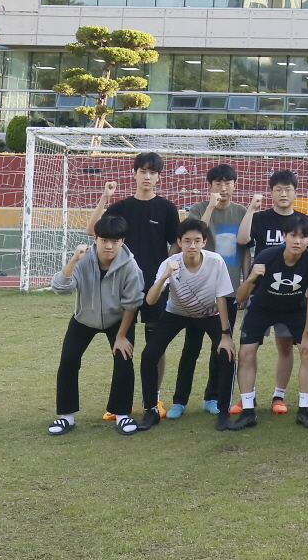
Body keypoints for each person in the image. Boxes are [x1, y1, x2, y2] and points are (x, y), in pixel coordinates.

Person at [86, 152, 180, 415]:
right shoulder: (121, 207)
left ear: (159, 176)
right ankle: (121, 403)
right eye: (142, 171)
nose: (147, 176)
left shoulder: (166, 208)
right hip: (121, 285)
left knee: (155, 345)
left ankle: (155, 398)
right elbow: (92, 230)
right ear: (134, 173)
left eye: (152, 172)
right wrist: (105, 197)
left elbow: (176, 241)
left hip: (154, 285)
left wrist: (164, 267)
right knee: (122, 343)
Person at [134, 218, 236, 431]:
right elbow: (151, 300)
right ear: (179, 242)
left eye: (197, 241)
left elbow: (221, 298)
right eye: (187, 241)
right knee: (149, 354)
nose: (192, 245)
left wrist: (225, 334)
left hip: (210, 314)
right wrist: (164, 277)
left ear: (204, 242)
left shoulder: (216, 262)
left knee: (226, 354)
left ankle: (223, 411)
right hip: (177, 313)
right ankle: (151, 410)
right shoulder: (170, 263)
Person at [48, 215, 144, 435]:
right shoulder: (83, 260)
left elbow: (132, 304)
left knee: (124, 360)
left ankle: (122, 415)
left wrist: (121, 337)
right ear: (96, 239)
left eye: (115, 241)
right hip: (84, 318)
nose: (109, 246)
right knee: (69, 360)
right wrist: (73, 260)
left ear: (122, 241)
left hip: (118, 320)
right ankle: (67, 417)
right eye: (104, 240)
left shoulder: (130, 266)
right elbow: (60, 288)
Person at [228, 214, 308, 430]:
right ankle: (248, 410)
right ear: (284, 237)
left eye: (303, 237)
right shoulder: (267, 256)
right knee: (246, 352)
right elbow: (241, 298)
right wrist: (251, 277)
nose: (297, 241)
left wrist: (307, 335)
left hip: (295, 309)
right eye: (293, 236)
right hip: (262, 307)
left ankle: (304, 410)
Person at [237, 170, 308, 416]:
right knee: (249, 346)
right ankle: (249, 399)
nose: (283, 193)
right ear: (270, 192)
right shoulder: (261, 218)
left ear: (295, 192)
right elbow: (243, 239)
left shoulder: (302, 221)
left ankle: (279, 395)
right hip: (261, 292)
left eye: (288, 189)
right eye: (278, 189)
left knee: (285, 345)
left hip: (292, 296)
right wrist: (251, 208)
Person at [181, 163, 247, 417]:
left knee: (220, 345)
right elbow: (197, 233)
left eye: (227, 183)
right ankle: (181, 400)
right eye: (218, 183)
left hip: (229, 288)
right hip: (198, 287)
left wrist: (245, 282)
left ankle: (213, 397)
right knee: (191, 345)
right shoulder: (198, 209)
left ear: (235, 185)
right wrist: (209, 206)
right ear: (210, 186)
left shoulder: (241, 212)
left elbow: (244, 251)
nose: (223, 188)